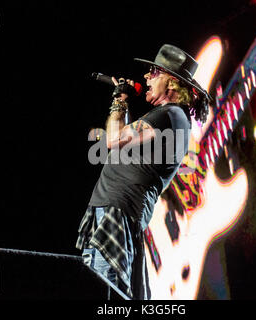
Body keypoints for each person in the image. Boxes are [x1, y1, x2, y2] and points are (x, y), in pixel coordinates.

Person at [76, 44, 211, 299]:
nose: (147, 77)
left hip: (118, 211)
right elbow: (122, 142)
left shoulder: (170, 114)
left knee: (105, 291)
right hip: (115, 208)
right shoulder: (169, 116)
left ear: (171, 83)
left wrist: (119, 99)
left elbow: (113, 139)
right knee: (98, 286)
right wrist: (122, 105)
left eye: (154, 72)